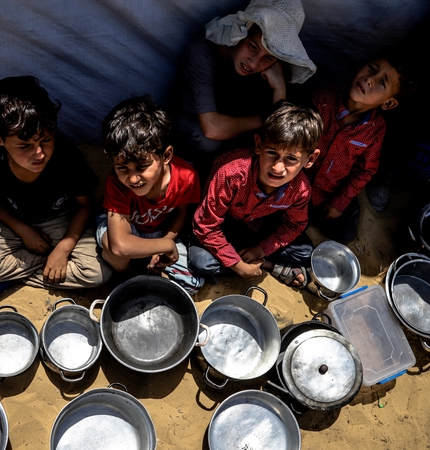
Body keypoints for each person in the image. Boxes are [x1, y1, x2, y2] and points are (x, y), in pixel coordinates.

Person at [0, 76, 112, 298]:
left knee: (99, 273)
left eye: (45, 140)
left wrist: (63, 248)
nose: (39, 153)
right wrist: (22, 230)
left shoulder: (66, 156)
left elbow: (85, 204)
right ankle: (48, 268)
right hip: (16, 222)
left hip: (62, 221)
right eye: (24, 146)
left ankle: (10, 279)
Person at [189, 102, 321, 288]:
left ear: (310, 159)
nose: (277, 167)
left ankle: (254, 259)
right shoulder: (232, 173)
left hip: (255, 226)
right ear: (259, 145)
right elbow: (205, 225)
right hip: (221, 223)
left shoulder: (300, 189)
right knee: (202, 262)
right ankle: (266, 265)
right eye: (272, 153)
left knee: (305, 251)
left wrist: (261, 249)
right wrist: (237, 264)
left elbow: (295, 225)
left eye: (291, 158)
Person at [174, 0, 316, 174]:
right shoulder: (202, 54)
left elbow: (277, 133)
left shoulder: (271, 72)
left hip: (234, 133)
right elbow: (212, 129)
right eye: (252, 46)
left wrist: (280, 89)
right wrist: (265, 119)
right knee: (205, 138)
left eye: (268, 58)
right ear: (240, 34)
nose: (254, 62)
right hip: (193, 128)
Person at [97, 96, 204, 294]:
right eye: (122, 168)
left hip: (158, 231)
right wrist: (163, 244)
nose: (133, 178)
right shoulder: (116, 183)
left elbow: (181, 213)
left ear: (166, 156)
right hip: (123, 229)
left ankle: (145, 264)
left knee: (193, 284)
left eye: (142, 167)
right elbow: (120, 244)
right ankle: (133, 277)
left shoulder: (187, 177)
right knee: (115, 250)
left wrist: (165, 242)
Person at [305, 54, 415, 243]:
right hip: (301, 185)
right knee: (297, 223)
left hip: (332, 191)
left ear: (388, 103)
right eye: (372, 69)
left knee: (346, 233)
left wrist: (338, 203)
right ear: (360, 66)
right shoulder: (320, 100)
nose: (369, 80)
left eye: (382, 82)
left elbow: (365, 171)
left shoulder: (375, 130)